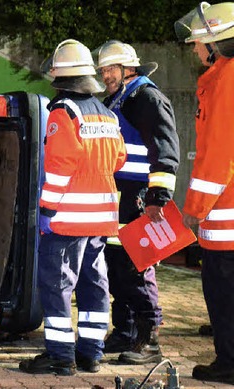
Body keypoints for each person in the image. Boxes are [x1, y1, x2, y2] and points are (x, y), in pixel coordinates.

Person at [20, 39, 126, 376]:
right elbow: (119, 159)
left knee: (56, 286)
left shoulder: (63, 111)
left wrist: (47, 212)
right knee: (95, 285)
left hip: (68, 220)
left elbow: (60, 167)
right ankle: (91, 354)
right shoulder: (108, 113)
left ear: (60, 78)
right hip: (102, 219)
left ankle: (60, 356)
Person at [96, 40, 180, 365]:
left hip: (142, 197)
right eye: (102, 70)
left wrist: (159, 197)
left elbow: (165, 148)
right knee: (117, 268)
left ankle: (149, 339)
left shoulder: (146, 98)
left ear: (128, 68)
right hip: (120, 198)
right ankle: (125, 332)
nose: (105, 75)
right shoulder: (116, 100)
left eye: (110, 69)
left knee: (137, 266)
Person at [177, 2, 234, 384]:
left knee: (223, 293)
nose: (196, 49)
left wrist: (194, 208)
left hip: (226, 217)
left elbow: (217, 154)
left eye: (199, 42)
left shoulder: (226, 80)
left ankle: (229, 364)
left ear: (217, 43)